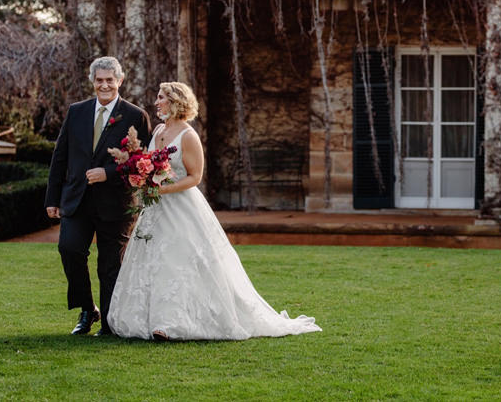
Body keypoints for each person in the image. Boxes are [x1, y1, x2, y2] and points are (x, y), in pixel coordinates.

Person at [107, 82, 321, 341]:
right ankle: (146, 318)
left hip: (181, 208)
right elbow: (149, 165)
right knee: (151, 260)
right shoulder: (160, 129)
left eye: (161, 97)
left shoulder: (188, 135)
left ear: (176, 101)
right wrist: (143, 180)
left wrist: (161, 189)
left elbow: (195, 177)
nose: (156, 102)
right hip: (155, 209)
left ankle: (170, 324)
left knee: (177, 261)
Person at [45, 56, 151, 336]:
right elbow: (60, 155)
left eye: (110, 80)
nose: (104, 85)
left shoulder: (135, 115)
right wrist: (52, 199)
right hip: (76, 198)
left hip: (116, 203)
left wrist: (109, 173)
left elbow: (143, 162)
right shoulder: (76, 111)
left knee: (110, 264)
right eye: (99, 80)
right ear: (92, 81)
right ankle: (86, 308)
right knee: (69, 249)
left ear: (120, 81)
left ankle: (109, 322)